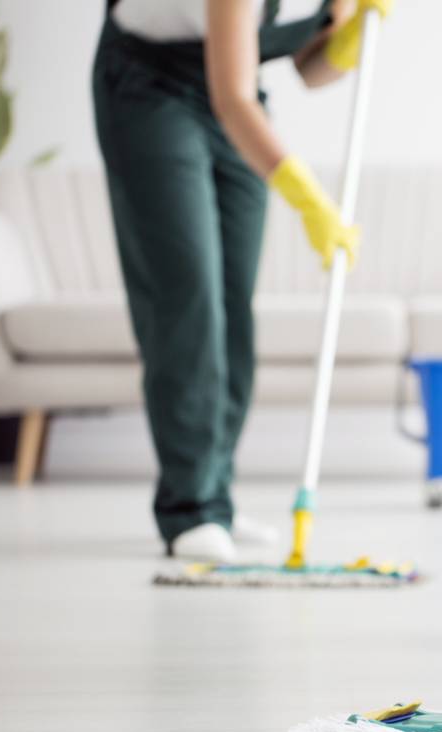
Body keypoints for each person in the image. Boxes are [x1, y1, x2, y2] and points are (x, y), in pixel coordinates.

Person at [92, 0, 390, 563]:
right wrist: (309, 200)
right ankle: (191, 508)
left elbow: (310, 69)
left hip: (237, 93)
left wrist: (350, 35)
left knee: (232, 304)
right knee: (189, 299)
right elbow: (232, 99)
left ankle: (216, 497)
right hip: (149, 88)